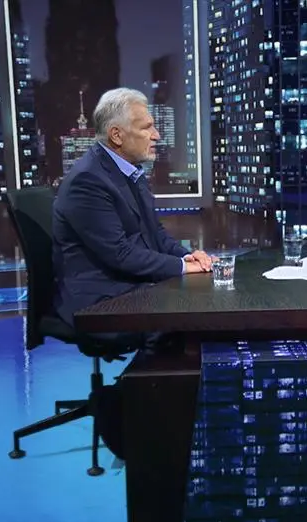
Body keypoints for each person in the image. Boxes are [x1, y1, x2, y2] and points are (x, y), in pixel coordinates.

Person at [52, 87, 214, 352]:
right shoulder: (88, 181)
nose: (157, 135)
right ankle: (157, 376)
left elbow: (155, 233)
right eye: (147, 128)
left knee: (201, 302)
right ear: (117, 135)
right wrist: (183, 268)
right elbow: (120, 254)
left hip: (129, 283)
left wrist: (188, 257)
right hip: (99, 297)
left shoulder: (129, 171)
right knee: (190, 318)